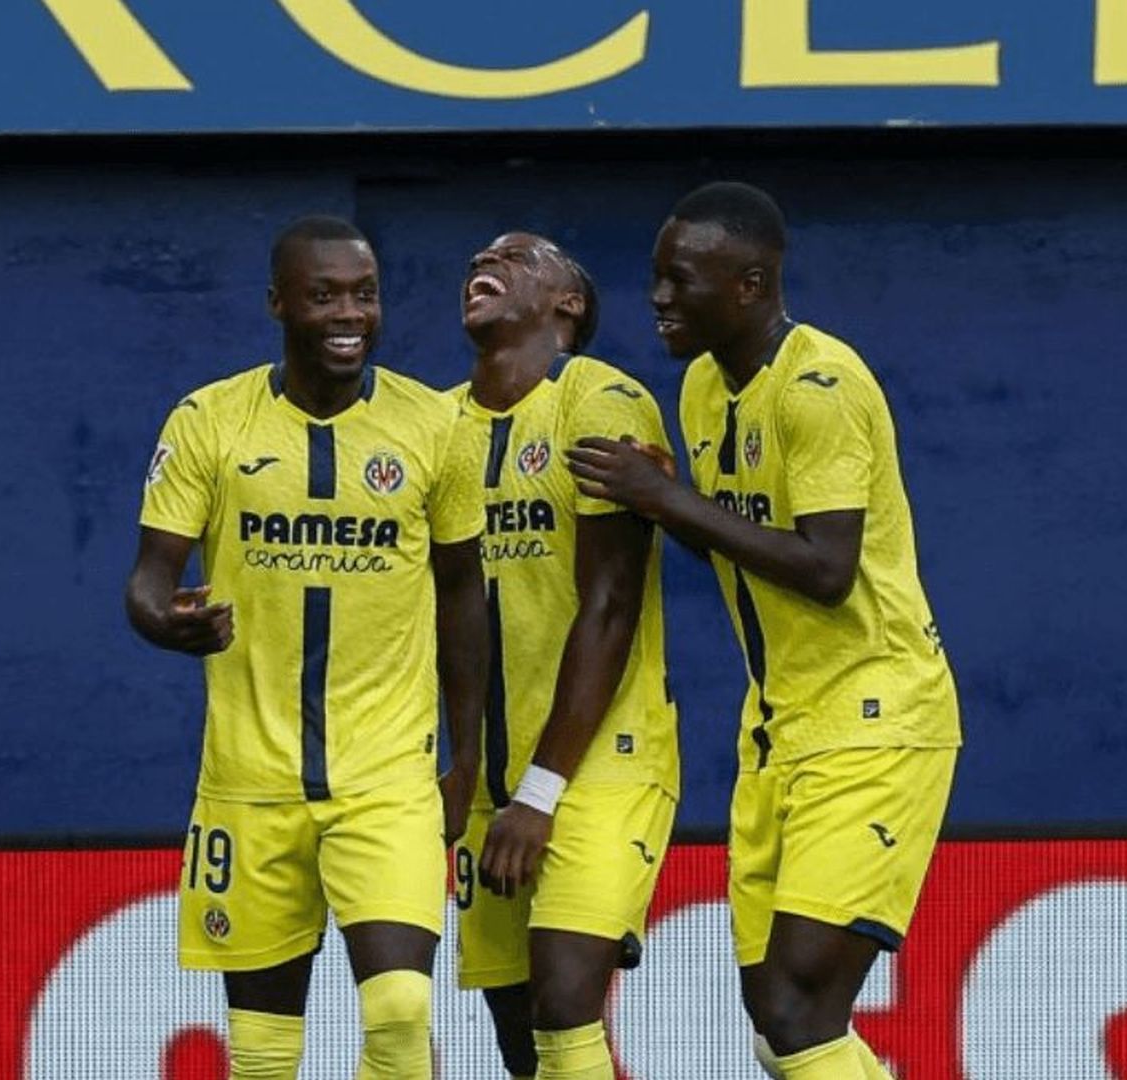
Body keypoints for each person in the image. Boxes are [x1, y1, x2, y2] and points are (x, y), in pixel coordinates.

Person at [566, 181, 961, 1080]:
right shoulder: (705, 388)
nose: (659, 298)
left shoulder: (820, 387)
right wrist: (671, 509)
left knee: (797, 1011)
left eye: (681, 279)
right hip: (780, 725)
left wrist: (667, 500)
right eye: (657, 277)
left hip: (874, 715)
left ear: (749, 286)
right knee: (775, 1017)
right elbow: (741, 553)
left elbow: (826, 569)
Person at [126, 215, 488, 1079]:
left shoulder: (432, 428)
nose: (348, 314)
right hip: (250, 780)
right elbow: (146, 581)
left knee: (400, 1013)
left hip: (388, 777)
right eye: (324, 295)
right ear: (278, 303)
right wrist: (165, 623)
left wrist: (465, 758)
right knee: (261, 1052)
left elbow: (465, 594)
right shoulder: (210, 421)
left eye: (364, 294)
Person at [446, 232, 679, 1080]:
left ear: (566, 303)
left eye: (516, 255)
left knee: (564, 998)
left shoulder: (602, 401)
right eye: (481, 252)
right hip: (488, 783)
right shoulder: (439, 428)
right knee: (517, 1040)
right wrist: (464, 763)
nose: (488, 257)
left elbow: (611, 605)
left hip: (596, 767)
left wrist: (539, 794)